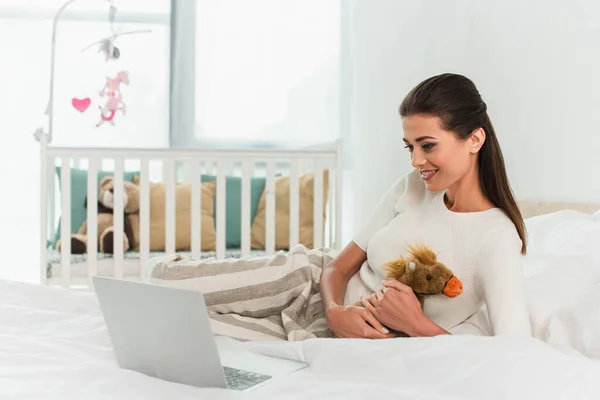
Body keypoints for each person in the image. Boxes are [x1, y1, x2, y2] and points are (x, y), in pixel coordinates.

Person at [320, 73, 532, 339]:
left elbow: (515, 348)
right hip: (314, 289)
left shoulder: (496, 237)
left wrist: (415, 324)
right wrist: (334, 312)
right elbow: (336, 268)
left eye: (428, 146)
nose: (416, 161)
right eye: (410, 147)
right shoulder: (412, 186)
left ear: (475, 140)